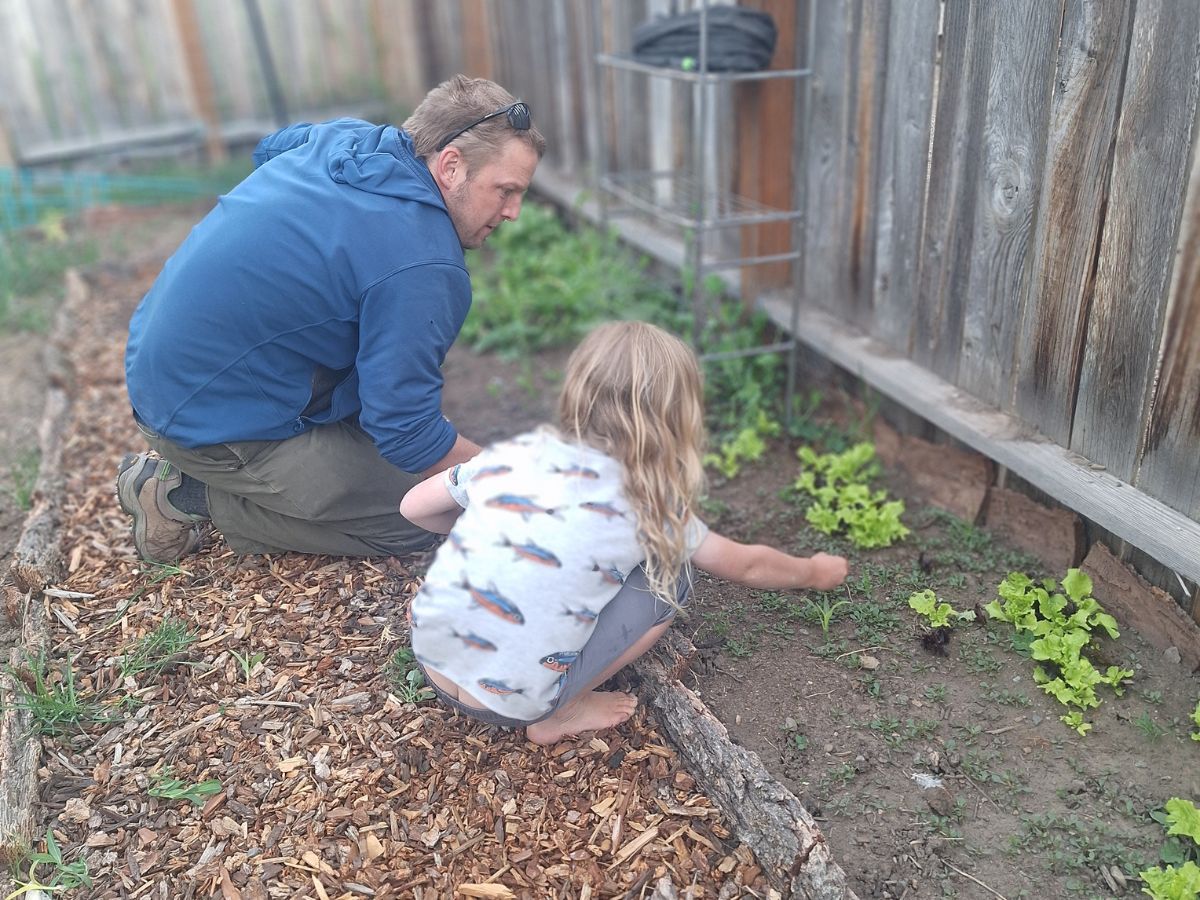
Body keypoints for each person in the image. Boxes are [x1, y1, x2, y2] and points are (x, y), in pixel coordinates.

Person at [117, 75, 546, 564]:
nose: (513, 211)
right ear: (450, 166)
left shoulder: (346, 142)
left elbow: (270, 150)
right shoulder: (421, 263)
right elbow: (406, 430)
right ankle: (185, 495)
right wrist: (515, 489)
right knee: (423, 514)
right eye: (505, 191)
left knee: (409, 449)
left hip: (163, 369)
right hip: (209, 419)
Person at [400, 321, 849, 745]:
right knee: (674, 578)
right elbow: (746, 565)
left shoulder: (514, 455)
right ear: (675, 418)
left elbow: (414, 508)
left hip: (430, 653)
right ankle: (565, 711)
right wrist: (813, 571)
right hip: (510, 704)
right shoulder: (649, 506)